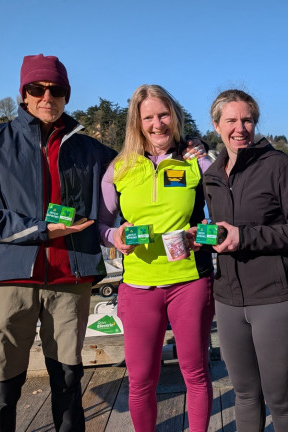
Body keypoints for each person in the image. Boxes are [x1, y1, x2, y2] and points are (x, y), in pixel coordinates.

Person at [0, 54, 117, 432]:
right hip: (8, 280)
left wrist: (186, 146)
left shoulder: (92, 151)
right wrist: (38, 229)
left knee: (69, 385)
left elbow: (142, 169)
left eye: (56, 89)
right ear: (23, 94)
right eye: (36, 89)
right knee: (3, 389)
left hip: (70, 281)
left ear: (66, 95)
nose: (47, 96)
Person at [197, 89, 288, 431]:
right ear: (216, 125)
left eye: (247, 119)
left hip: (276, 298)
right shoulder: (212, 175)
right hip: (228, 301)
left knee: (280, 399)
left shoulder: (281, 166)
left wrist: (244, 236)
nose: (240, 128)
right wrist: (204, 238)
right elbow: (221, 230)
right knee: (245, 395)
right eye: (231, 120)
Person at [97, 84, 214, 432]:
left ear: (174, 116)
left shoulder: (196, 162)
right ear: (137, 121)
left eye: (163, 115)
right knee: (141, 379)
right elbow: (101, 225)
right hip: (137, 286)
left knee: (195, 372)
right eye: (148, 117)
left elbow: (226, 213)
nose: (157, 124)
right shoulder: (119, 167)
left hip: (189, 283)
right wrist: (114, 236)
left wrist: (204, 233)